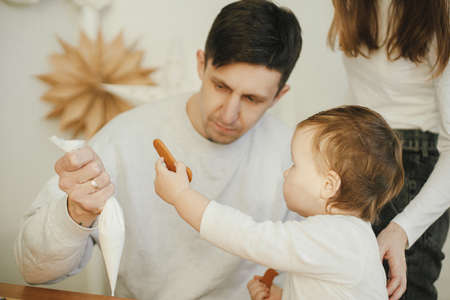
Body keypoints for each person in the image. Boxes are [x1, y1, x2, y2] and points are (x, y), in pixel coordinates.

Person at [14, 1, 302, 299]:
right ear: (201, 64)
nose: (229, 114)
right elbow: (33, 271)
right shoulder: (126, 137)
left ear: (279, 96)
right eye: (221, 87)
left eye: (252, 99)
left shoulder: (297, 160)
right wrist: (74, 213)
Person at [154, 105, 405, 300]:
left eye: (295, 164)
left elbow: (248, 236)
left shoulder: (337, 237)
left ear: (328, 185)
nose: (286, 173)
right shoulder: (342, 237)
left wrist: (181, 196)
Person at [327, 1, 450, 300]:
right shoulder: (356, 6)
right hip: (356, 154)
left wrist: (402, 229)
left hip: (413, 168)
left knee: (401, 289)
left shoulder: (439, 13)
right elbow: (366, 94)